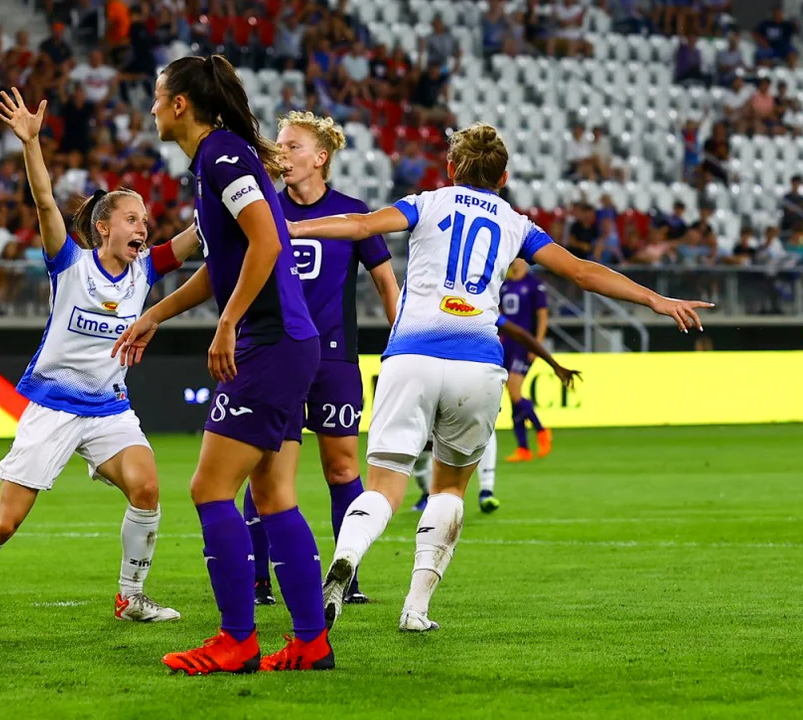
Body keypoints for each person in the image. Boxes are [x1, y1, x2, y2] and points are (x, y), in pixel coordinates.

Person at [285, 123, 711, 633]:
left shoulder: (426, 203)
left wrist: (293, 229)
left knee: (383, 486)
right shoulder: (516, 223)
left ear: (450, 169)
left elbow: (358, 226)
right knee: (449, 489)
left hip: (411, 356)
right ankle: (416, 610)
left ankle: (347, 557)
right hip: (478, 362)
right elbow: (581, 271)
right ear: (503, 177)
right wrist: (655, 299)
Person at [0, 88, 200, 628]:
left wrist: (241, 189)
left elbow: (199, 234)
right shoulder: (70, 263)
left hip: (110, 408)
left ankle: (131, 598)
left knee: (147, 487)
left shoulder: (146, 269)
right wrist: (31, 142)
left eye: (145, 221)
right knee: (5, 523)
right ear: (104, 227)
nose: (143, 228)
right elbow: (46, 202)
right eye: (132, 219)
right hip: (52, 406)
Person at [112, 55, 332, 675]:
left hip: (269, 342)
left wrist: (229, 323)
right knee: (274, 494)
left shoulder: (222, 156)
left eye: (158, 96)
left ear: (180, 104)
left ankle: (237, 639)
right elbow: (222, 266)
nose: (152, 107)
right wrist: (155, 314)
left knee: (210, 489)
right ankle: (311, 642)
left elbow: (266, 241)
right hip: (290, 340)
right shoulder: (220, 158)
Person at [241, 111, 400, 608]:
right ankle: (257, 579)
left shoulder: (352, 213)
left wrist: (401, 341)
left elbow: (385, 282)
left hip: (335, 359)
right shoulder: (264, 209)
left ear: (320, 157)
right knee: (265, 466)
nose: (282, 154)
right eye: (280, 146)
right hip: (279, 354)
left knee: (342, 467)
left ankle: (346, 577)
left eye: (292, 146)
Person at [411, 317, 582, 512]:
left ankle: (486, 490)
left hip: (473, 378)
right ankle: (427, 493)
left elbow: (519, 333)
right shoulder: (429, 313)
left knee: (484, 427)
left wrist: (553, 364)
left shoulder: (480, 309)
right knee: (423, 449)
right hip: (434, 380)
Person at [499, 258, 551, 463]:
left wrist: (537, 344)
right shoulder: (504, 285)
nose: (515, 262)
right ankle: (523, 448)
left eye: (519, 258)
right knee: (513, 394)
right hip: (506, 344)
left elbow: (542, 315)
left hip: (525, 343)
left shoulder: (534, 284)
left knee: (514, 389)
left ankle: (541, 430)